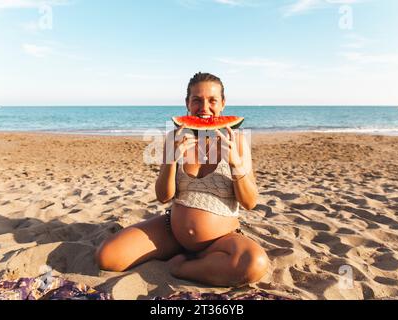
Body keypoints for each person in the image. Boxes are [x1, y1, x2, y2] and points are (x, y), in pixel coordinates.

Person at [96, 72, 269, 287]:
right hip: (172, 233)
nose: (204, 107)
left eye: (212, 100)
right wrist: (170, 160)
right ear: (187, 103)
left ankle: (181, 268)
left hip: (220, 241)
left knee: (255, 263)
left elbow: (250, 202)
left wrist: (236, 164)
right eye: (197, 100)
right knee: (107, 256)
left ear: (223, 104)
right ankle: (190, 258)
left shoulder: (238, 141)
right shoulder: (175, 139)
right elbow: (163, 196)